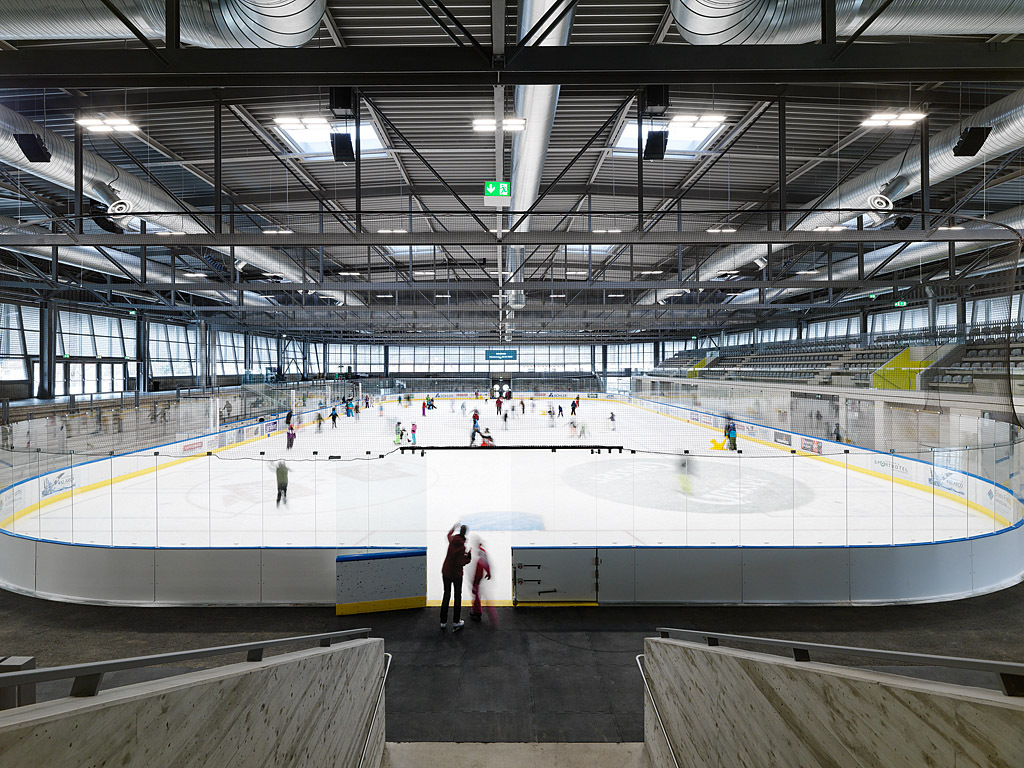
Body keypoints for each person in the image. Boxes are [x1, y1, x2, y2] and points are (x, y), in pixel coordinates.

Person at [440, 523, 470, 631]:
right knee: (457, 596)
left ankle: (443, 621)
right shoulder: (462, 547)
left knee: (446, 595)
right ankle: (456, 621)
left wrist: (453, 527)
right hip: (456, 575)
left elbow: (448, 535)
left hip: (446, 572)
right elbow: (460, 562)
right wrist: (468, 558)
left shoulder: (452, 540)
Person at [469, 538, 496, 625]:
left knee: (476, 593)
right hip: (478, 576)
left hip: (477, 576)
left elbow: (484, 563)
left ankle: (477, 612)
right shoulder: (481, 552)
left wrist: (488, 572)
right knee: (476, 593)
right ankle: (476, 609)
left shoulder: (478, 552)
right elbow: (486, 563)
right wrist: (488, 572)